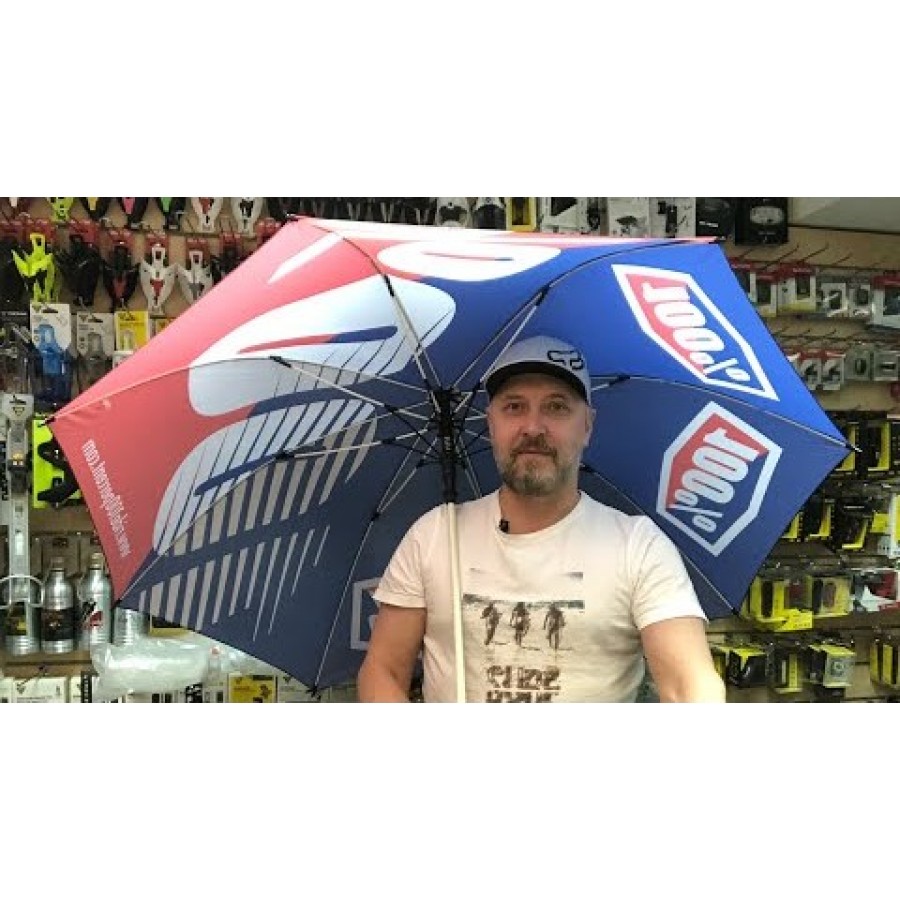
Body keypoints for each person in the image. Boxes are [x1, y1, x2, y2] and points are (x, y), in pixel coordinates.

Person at [357, 334, 727, 703]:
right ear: (491, 424)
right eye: (514, 407)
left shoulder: (638, 546)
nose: (533, 427)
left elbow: (689, 685)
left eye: (556, 407)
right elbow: (383, 670)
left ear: (587, 426)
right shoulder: (435, 535)